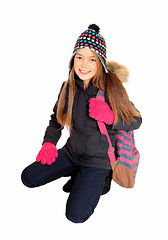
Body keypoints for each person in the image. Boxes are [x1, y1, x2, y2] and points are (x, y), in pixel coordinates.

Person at [21, 24, 142, 223]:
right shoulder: (68, 88)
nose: (84, 64)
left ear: (100, 63)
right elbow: (56, 120)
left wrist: (111, 118)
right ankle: (77, 172)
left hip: (99, 161)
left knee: (75, 216)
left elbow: (137, 120)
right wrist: (49, 143)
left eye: (91, 59)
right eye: (79, 57)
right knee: (28, 177)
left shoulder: (112, 88)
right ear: (73, 60)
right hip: (72, 152)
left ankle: (102, 180)